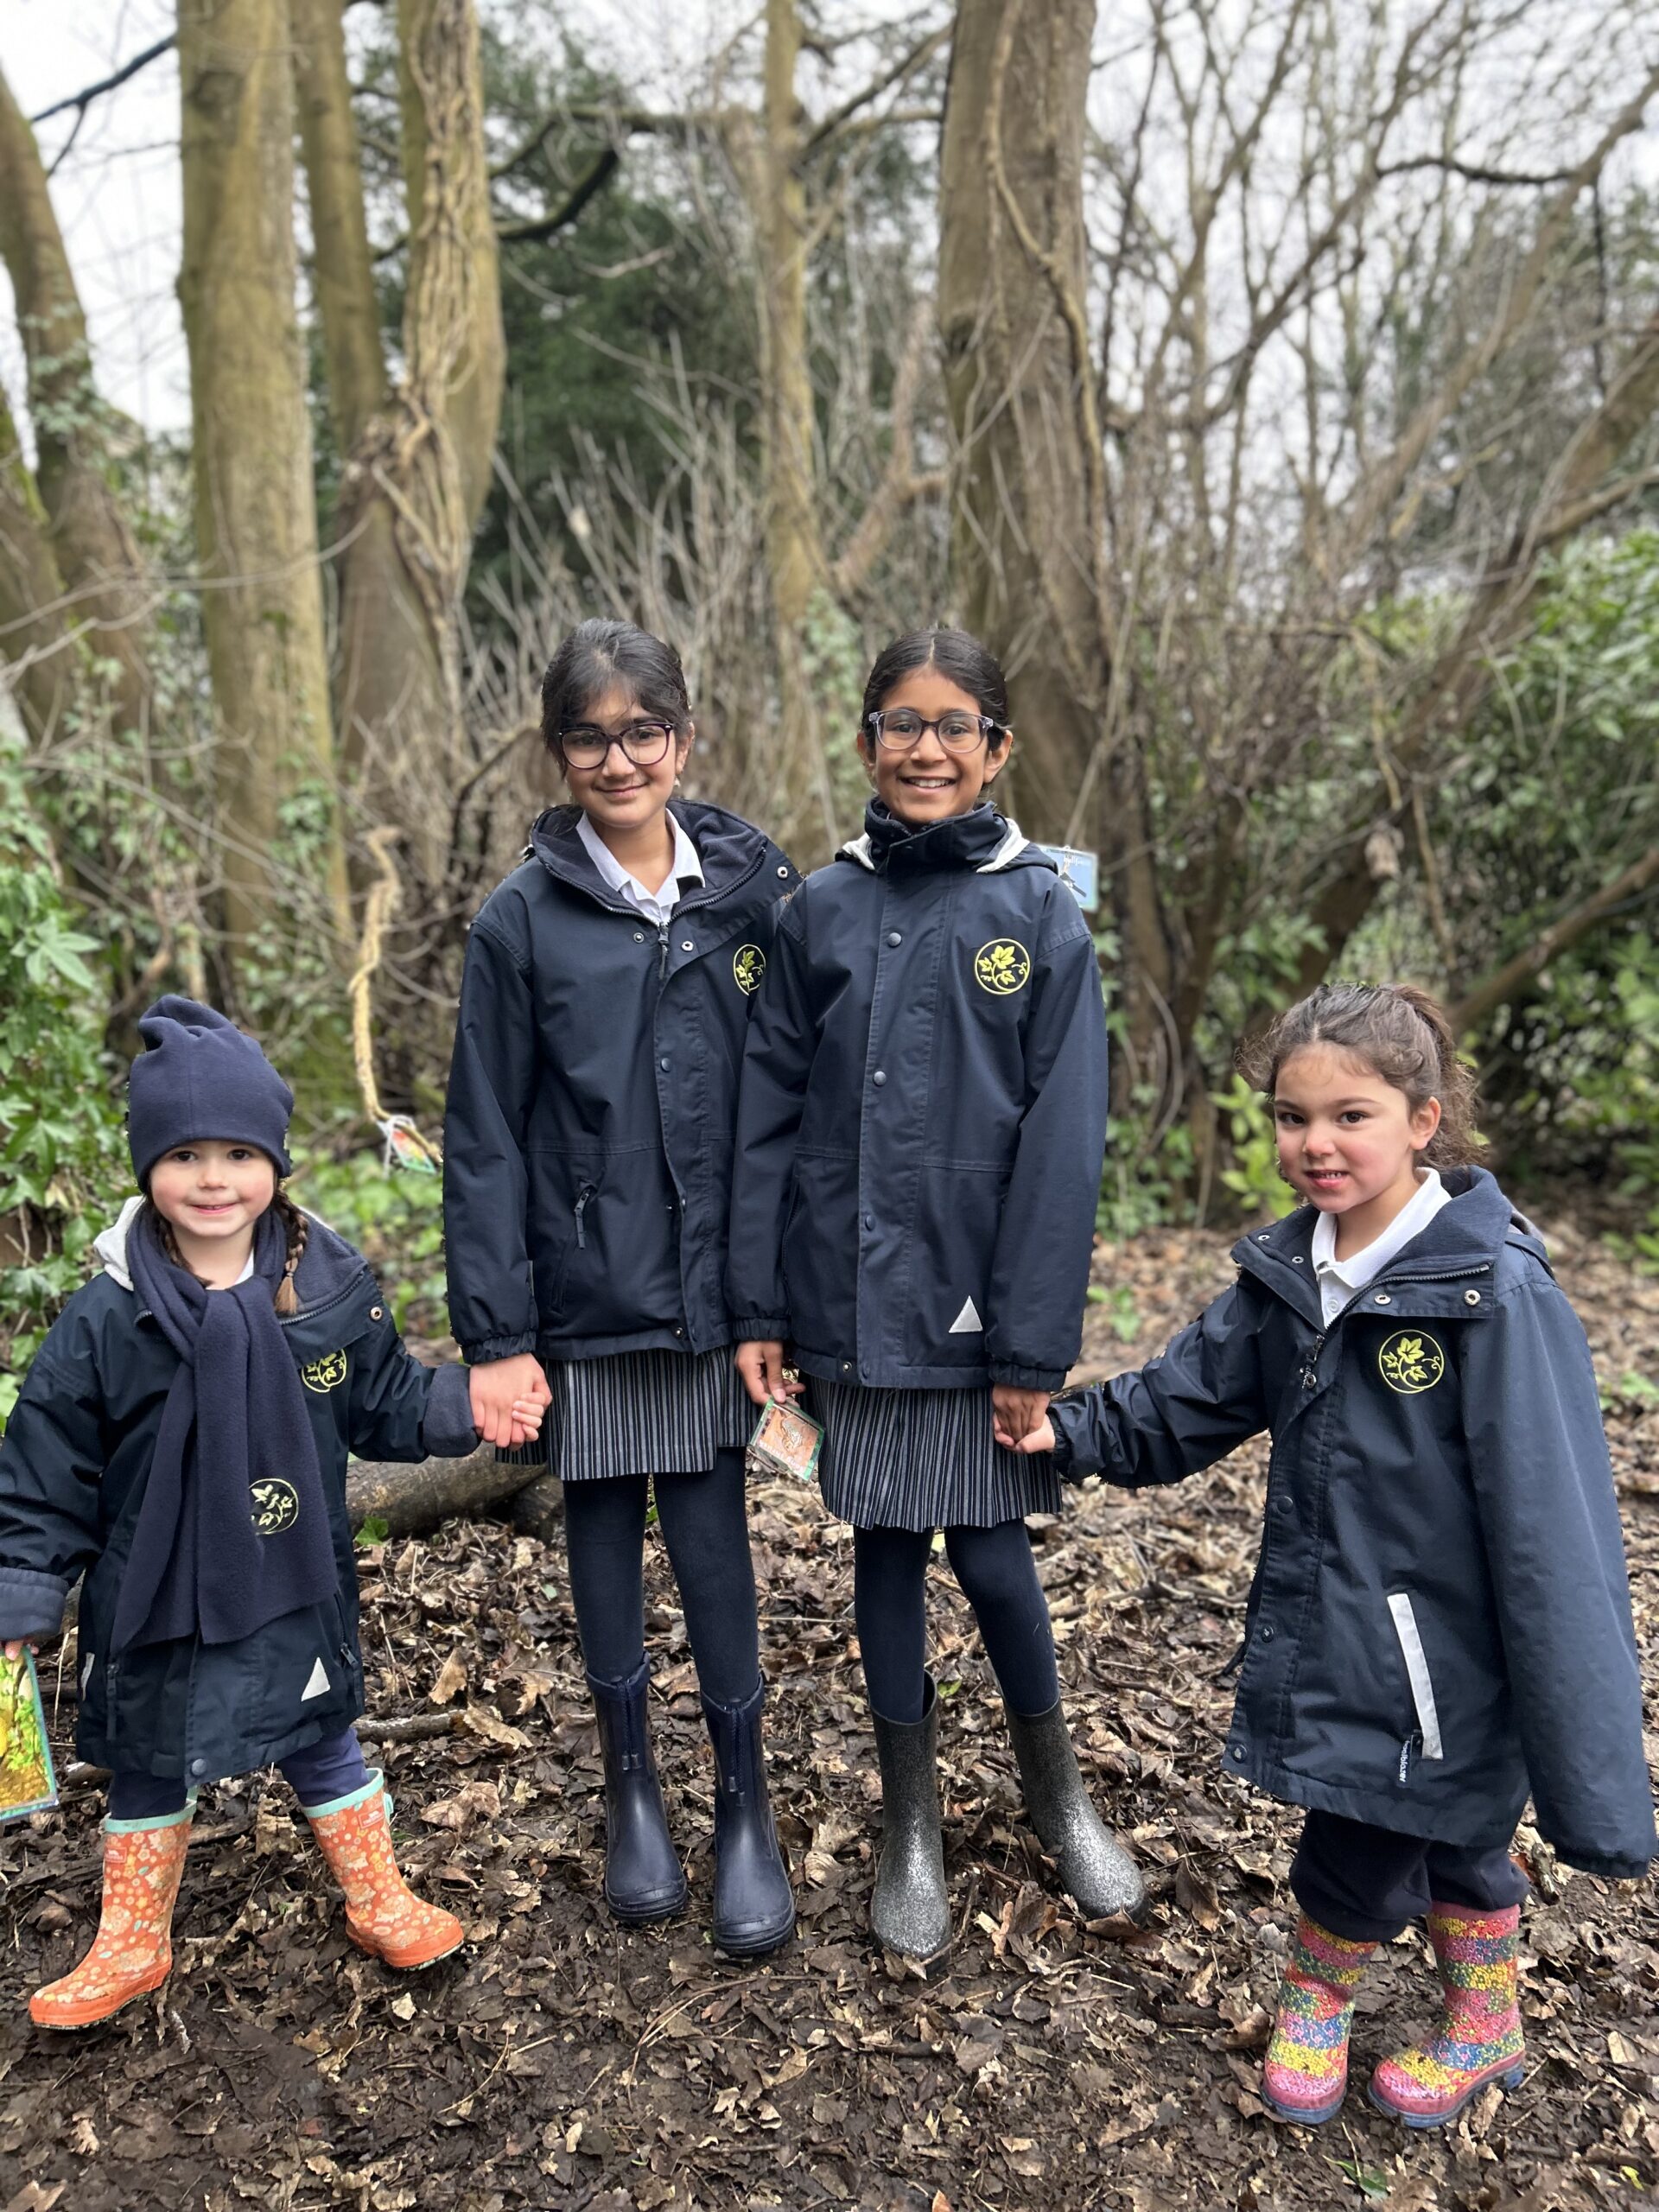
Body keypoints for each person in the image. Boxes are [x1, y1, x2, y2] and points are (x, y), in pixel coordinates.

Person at [1015, 982, 1656, 2126]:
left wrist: (1584, 1743)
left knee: (1365, 1832)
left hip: (1455, 1648)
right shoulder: (1292, 1276)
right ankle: (1487, 2019)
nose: (1316, 1143)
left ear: (1422, 1121)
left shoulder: (1493, 1292)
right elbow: (1186, 1396)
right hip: (1350, 1620)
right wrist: (1067, 1433)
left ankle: (1321, 1994)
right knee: (1453, 1830)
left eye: (1350, 1116)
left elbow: (1554, 1520)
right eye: (1292, 1116)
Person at [728, 626, 1142, 1964]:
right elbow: (768, 1123)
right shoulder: (819, 910)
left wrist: (1030, 1348)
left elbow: (1062, 1148)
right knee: (887, 1553)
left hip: (978, 1320)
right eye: (901, 724)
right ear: (866, 744)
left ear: (996, 749)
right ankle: (912, 1823)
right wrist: (761, 1308)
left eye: (954, 724)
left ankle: (1057, 1798)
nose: (926, 748)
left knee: (997, 1556)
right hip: (848, 1307)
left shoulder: (1041, 913)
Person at [0, 999, 523, 2030]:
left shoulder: (325, 1288)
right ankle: (131, 1938)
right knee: (149, 1758)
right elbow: (46, 1463)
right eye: (184, 1154)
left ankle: (377, 1895)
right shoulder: (108, 1314)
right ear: (148, 1165)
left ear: (274, 1164)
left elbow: (385, 1401)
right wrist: (22, 1590)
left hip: (291, 1573)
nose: (213, 1179)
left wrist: (471, 1402)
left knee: (321, 1734)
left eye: (239, 1153)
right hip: (152, 1588)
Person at [444, 619, 799, 1957]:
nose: (619, 759)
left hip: (713, 1300)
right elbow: (484, 1138)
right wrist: (497, 1337)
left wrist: (773, 1302)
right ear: (558, 752)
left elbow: (792, 1107)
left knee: (712, 1538)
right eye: (590, 737)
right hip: (583, 1298)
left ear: (684, 740)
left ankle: (745, 1804)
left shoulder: (753, 893)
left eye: (643, 731)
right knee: (601, 1532)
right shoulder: (520, 922)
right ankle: (632, 1793)